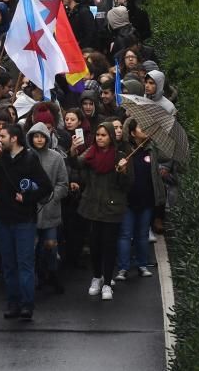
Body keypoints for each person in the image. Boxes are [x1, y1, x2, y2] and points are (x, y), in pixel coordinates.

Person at [0, 124, 51, 320]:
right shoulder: (2, 157)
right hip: (4, 218)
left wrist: (28, 198)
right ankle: (12, 303)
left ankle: (27, 305)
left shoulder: (30, 158)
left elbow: (46, 186)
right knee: (9, 263)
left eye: (3, 136)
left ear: (14, 138)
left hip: (24, 219)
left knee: (25, 263)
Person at [77, 123, 133, 302]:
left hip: (112, 207)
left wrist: (123, 172)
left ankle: (108, 282)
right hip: (92, 206)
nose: (100, 138)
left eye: (103, 135)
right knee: (94, 245)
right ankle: (97, 276)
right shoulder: (90, 154)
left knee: (109, 245)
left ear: (110, 137)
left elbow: (127, 185)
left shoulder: (121, 157)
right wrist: (72, 151)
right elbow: (78, 168)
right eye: (98, 135)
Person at [115, 118, 169, 282]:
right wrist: (120, 169)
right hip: (128, 200)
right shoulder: (124, 151)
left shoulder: (152, 149)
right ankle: (123, 267)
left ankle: (142, 264)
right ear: (132, 133)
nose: (145, 129)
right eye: (141, 127)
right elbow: (117, 176)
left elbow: (165, 159)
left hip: (147, 199)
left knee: (142, 234)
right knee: (125, 234)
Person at [27, 122, 68, 294]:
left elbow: (62, 183)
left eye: (42, 136)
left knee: (51, 245)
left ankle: (52, 273)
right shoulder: (26, 156)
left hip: (50, 210)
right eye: (35, 136)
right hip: (30, 210)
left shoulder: (56, 157)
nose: (39, 139)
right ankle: (36, 276)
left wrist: (53, 197)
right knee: (32, 246)